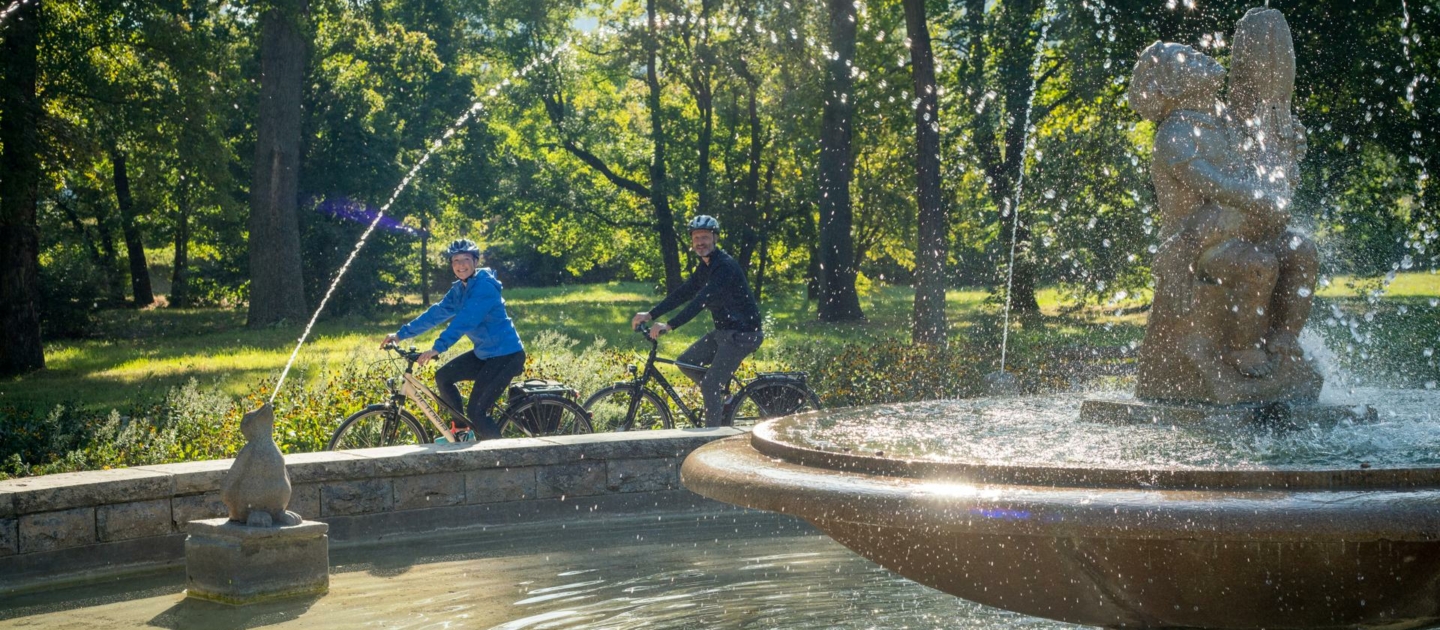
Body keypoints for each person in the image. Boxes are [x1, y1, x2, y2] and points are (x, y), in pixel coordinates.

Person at [380, 239, 525, 440]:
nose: (460, 265)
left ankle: (502, 459)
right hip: (485, 354)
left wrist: (438, 348)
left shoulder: (485, 287)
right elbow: (435, 314)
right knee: (444, 377)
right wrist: (400, 334)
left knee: (477, 412)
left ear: (476, 262)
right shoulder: (460, 289)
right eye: (455, 260)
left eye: (465, 259)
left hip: (506, 355)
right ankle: (462, 432)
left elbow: (465, 320)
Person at [631, 215, 763, 427]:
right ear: (692, 242)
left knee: (710, 383)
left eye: (705, 237)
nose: (700, 242)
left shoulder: (724, 266)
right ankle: (724, 399)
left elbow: (701, 301)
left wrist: (670, 325)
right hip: (724, 332)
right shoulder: (706, 266)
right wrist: (651, 315)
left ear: (715, 238)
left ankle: (711, 437)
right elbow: (684, 292)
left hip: (743, 334)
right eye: (696, 238)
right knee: (685, 362)